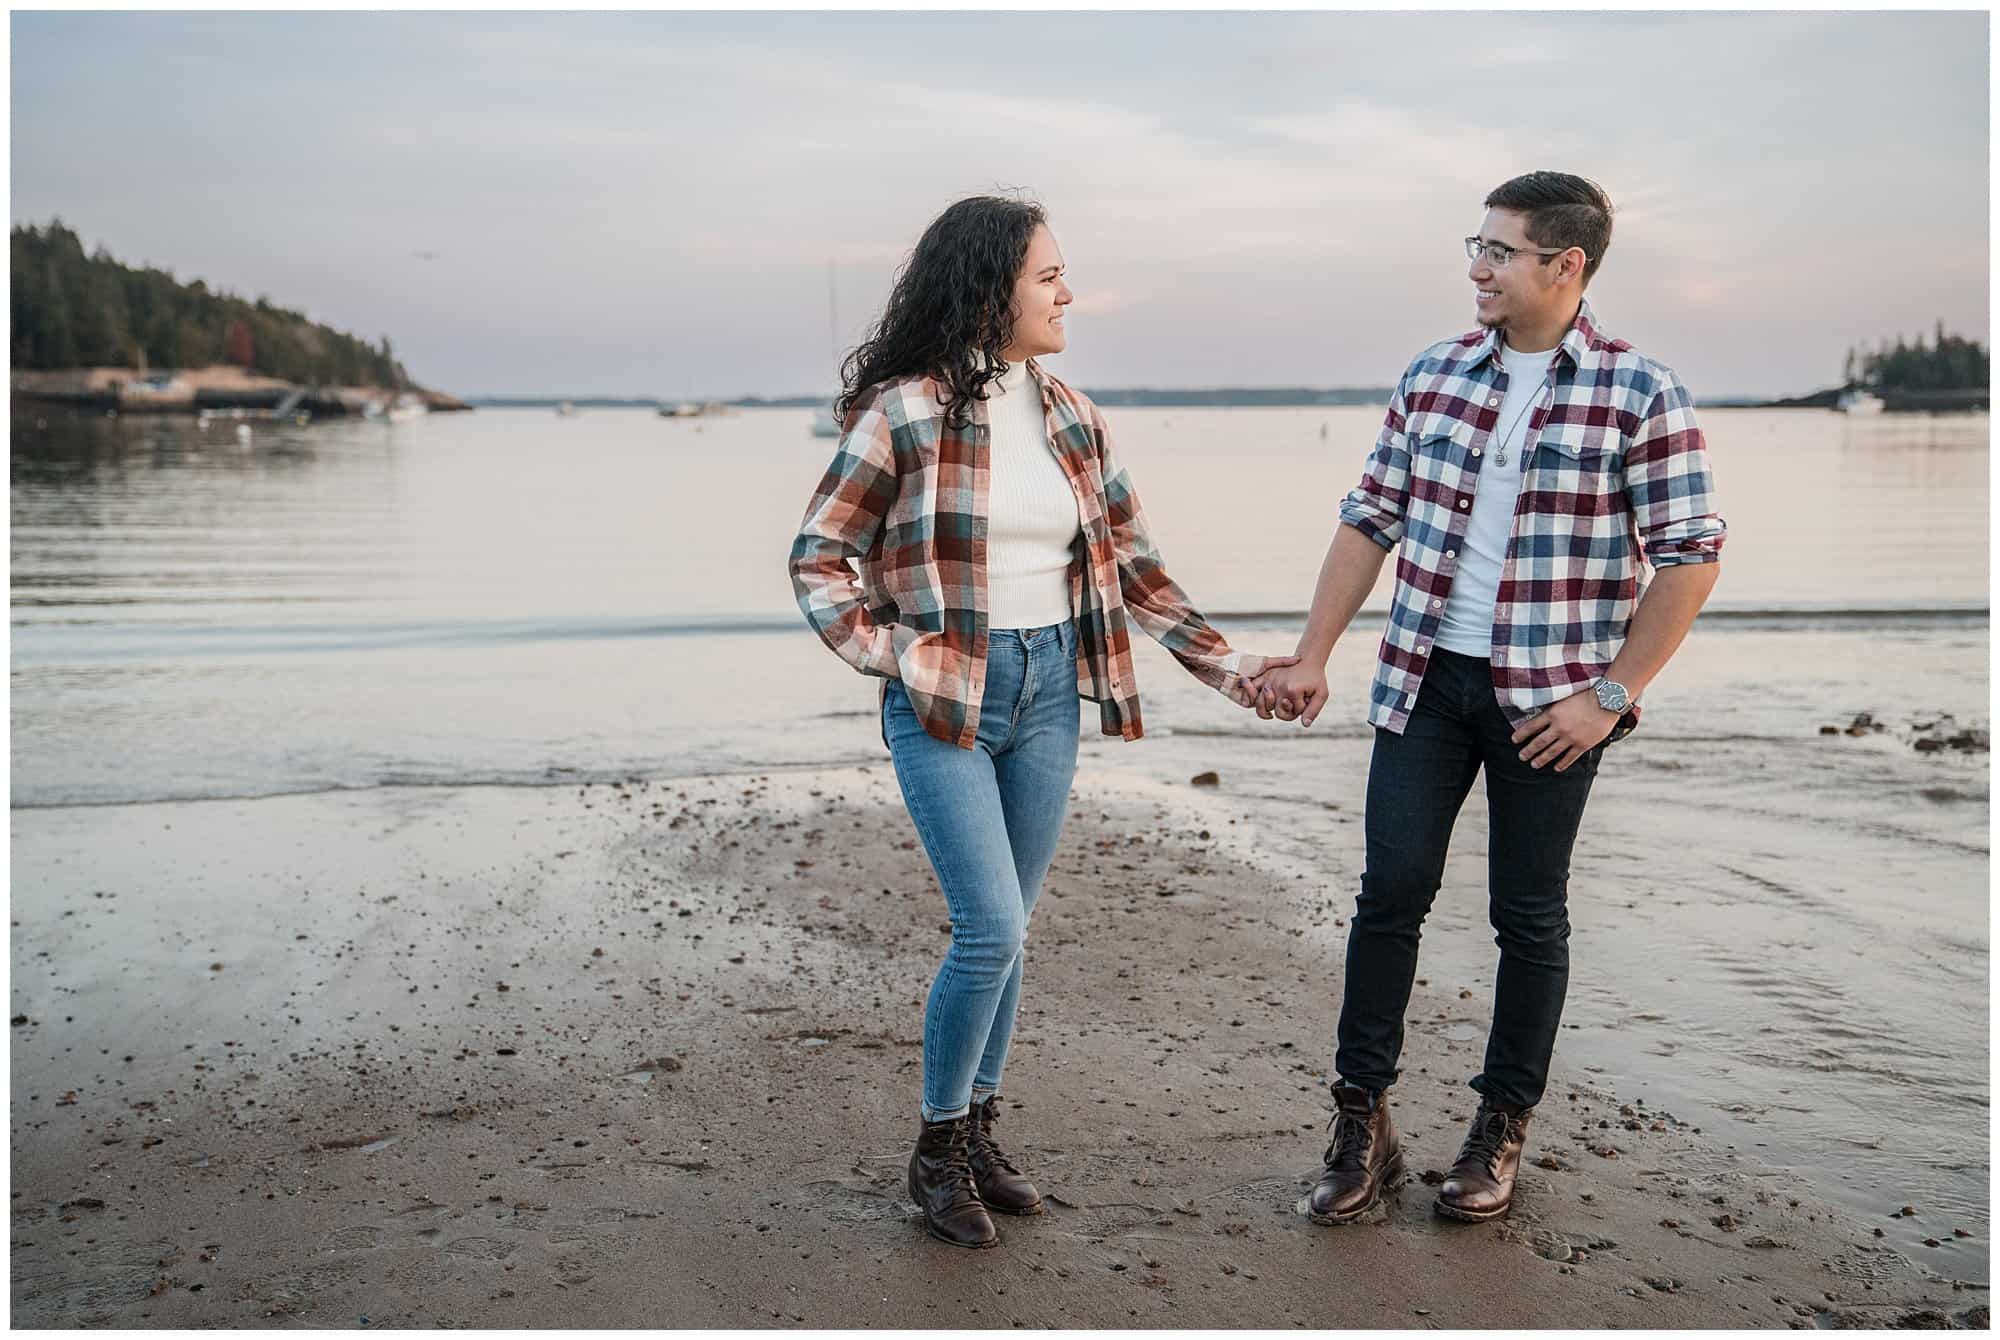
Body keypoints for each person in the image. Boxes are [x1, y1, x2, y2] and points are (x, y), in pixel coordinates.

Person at [788, 195, 1297, 1249]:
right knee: (992, 926)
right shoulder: (903, 412)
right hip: (946, 697)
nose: (1068, 293)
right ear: (989, 288)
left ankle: (976, 1128)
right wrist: (895, 654)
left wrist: (1232, 667)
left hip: (1050, 684)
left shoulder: (1071, 413)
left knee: (1011, 930)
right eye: (1048, 276)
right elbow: (818, 558)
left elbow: (1137, 572)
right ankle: (934, 1148)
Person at [1252, 172, 1726, 1225]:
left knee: (1527, 914)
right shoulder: (1432, 374)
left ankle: (1496, 1127)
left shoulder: (1639, 391)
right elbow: (1368, 516)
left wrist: (1611, 693)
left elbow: (1689, 556)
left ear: (1566, 265)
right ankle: (1359, 1123)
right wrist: (1310, 653)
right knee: (1389, 893)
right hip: (1424, 677)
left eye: (1498, 251)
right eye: (1474, 245)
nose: (1476, 267)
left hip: (1549, 703)